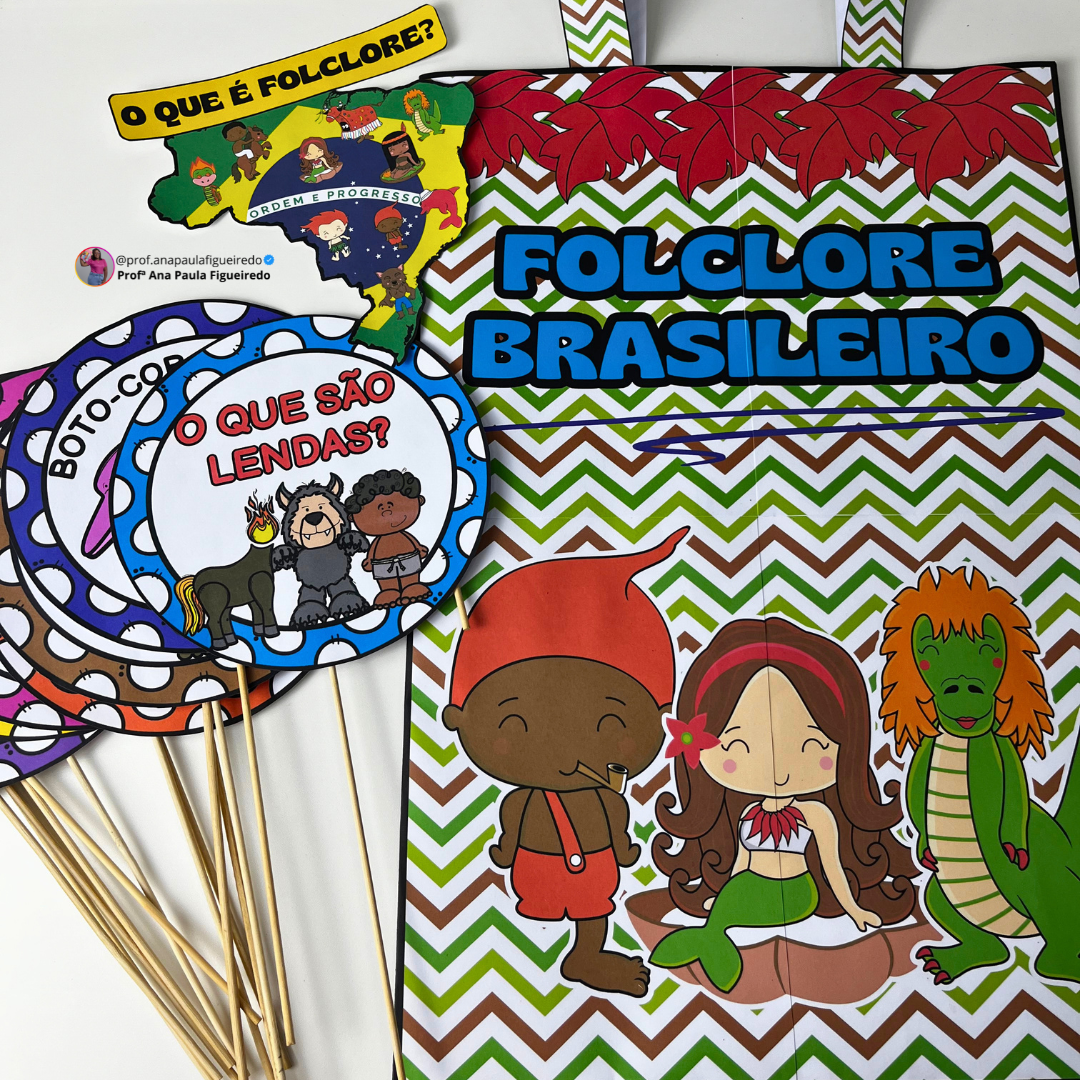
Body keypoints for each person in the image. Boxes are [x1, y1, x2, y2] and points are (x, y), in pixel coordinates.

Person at [442, 529, 688, 997]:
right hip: (540, 865)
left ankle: (585, 954)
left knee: (593, 910)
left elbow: (613, 816)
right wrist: (508, 849)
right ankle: (576, 954)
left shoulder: (603, 796)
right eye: (517, 724)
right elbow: (515, 818)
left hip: (591, 864)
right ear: (459, 718)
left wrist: (620, 845)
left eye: (609, 725)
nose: (568, 750)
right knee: (573, 908)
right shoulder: (531, 800)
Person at [649, 617, 917, 993]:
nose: (780, 770)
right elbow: (742, 862)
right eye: (738, 746)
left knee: (731, 913)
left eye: (812, 746)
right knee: (728, 909)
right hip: (748, 885)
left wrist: (854, 909)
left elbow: (832, 867)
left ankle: (711, 941)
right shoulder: (747, 814)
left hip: (795, 892)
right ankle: (711, 939)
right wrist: (725, 894)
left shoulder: (815, 814)